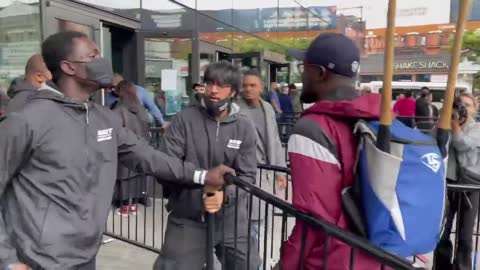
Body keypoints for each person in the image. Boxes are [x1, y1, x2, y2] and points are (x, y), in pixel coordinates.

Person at [0, 31, 232, 270]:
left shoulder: (102, 117)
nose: (102, 60)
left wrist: (202, 176)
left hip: (85, 255)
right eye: (93, 55)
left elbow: (147, 157)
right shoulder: (26, 120)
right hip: (36, 260)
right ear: (68, 67)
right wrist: (6, 260)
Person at [281, 33, 386, 270]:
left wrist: (284, 265)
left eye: (304, 68)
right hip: (381, 258)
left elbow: (314, 220)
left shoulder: (311, 129)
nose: (302, 74)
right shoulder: (379, 121)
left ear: (319, 73)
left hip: (331, 260)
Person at [153, 61, 261, 270]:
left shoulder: (244, 126)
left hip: (231, 221)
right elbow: (165, 166)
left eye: (221, 85)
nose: (213, 90)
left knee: (249, 265)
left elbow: (247, 176)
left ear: (233, 91)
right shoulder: (184, 119)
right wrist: (202, 181)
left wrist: (225, 195)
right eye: (209, 83)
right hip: (188, 217)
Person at [236, 69, 287, 247]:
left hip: (267, 173)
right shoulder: (234, 110)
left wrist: (281, 170)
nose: (248, 89)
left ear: (261, 88)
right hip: (245, 173)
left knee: (261, 221)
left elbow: (274, 139)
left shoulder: (267, 108)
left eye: (253, 85)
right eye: (245, 85)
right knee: (248, 223)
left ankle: (255, 261)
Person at [435, 93, 480, 270]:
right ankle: (441, 266)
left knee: (465, 234)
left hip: (470, 186)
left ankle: (462, 267)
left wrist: (454, 126)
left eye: (467, 105)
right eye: (460, 104)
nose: (463, 108)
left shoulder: (477, 128)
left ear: (475, 109)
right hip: (448, 183)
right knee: (441, 231)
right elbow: (435, 141)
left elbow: (463, 145)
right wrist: (444, 121)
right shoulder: (447, 123)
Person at [111, 80, 151, 217]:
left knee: (123, 178)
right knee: (136, 177)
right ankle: (133, 206)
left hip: (124, 149)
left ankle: (124, 208)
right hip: (140, 147)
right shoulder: (140, 108)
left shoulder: (119, 109)